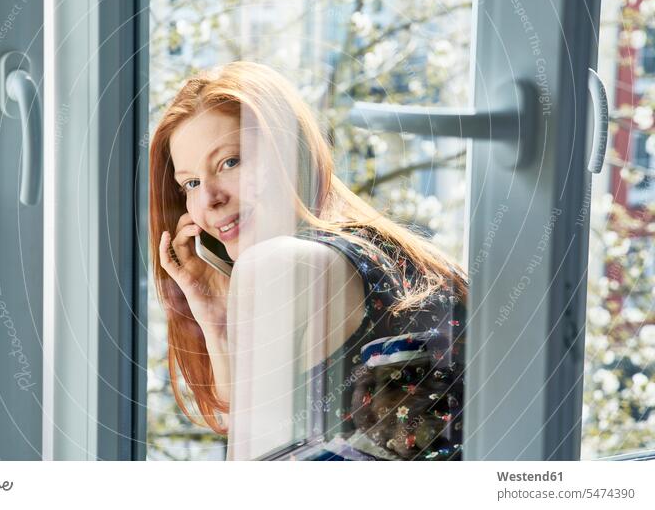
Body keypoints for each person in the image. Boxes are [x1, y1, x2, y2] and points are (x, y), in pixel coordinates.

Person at [149, 61, 468, 460]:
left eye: (230, 162)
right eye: (191, 183)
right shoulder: (376, 249)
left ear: (289, 153)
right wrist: (216, 320)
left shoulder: (282, 264)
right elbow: (251, 417)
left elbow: (250, 468)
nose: (210, 199)